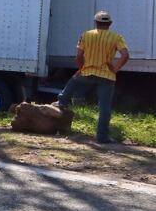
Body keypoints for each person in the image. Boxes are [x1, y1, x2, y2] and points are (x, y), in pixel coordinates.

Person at [55, 10, 129, 144]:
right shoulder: (116, 37)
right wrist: (115, 69)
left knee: (73, 81)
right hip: (107, 76)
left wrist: (81, 69)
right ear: (110, 24)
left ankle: (62, 101)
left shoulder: (86, 35)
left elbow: (78, 56)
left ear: (95, 22)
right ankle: (102, 137)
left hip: (87, 72)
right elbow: (125, 55)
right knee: (104, 107)